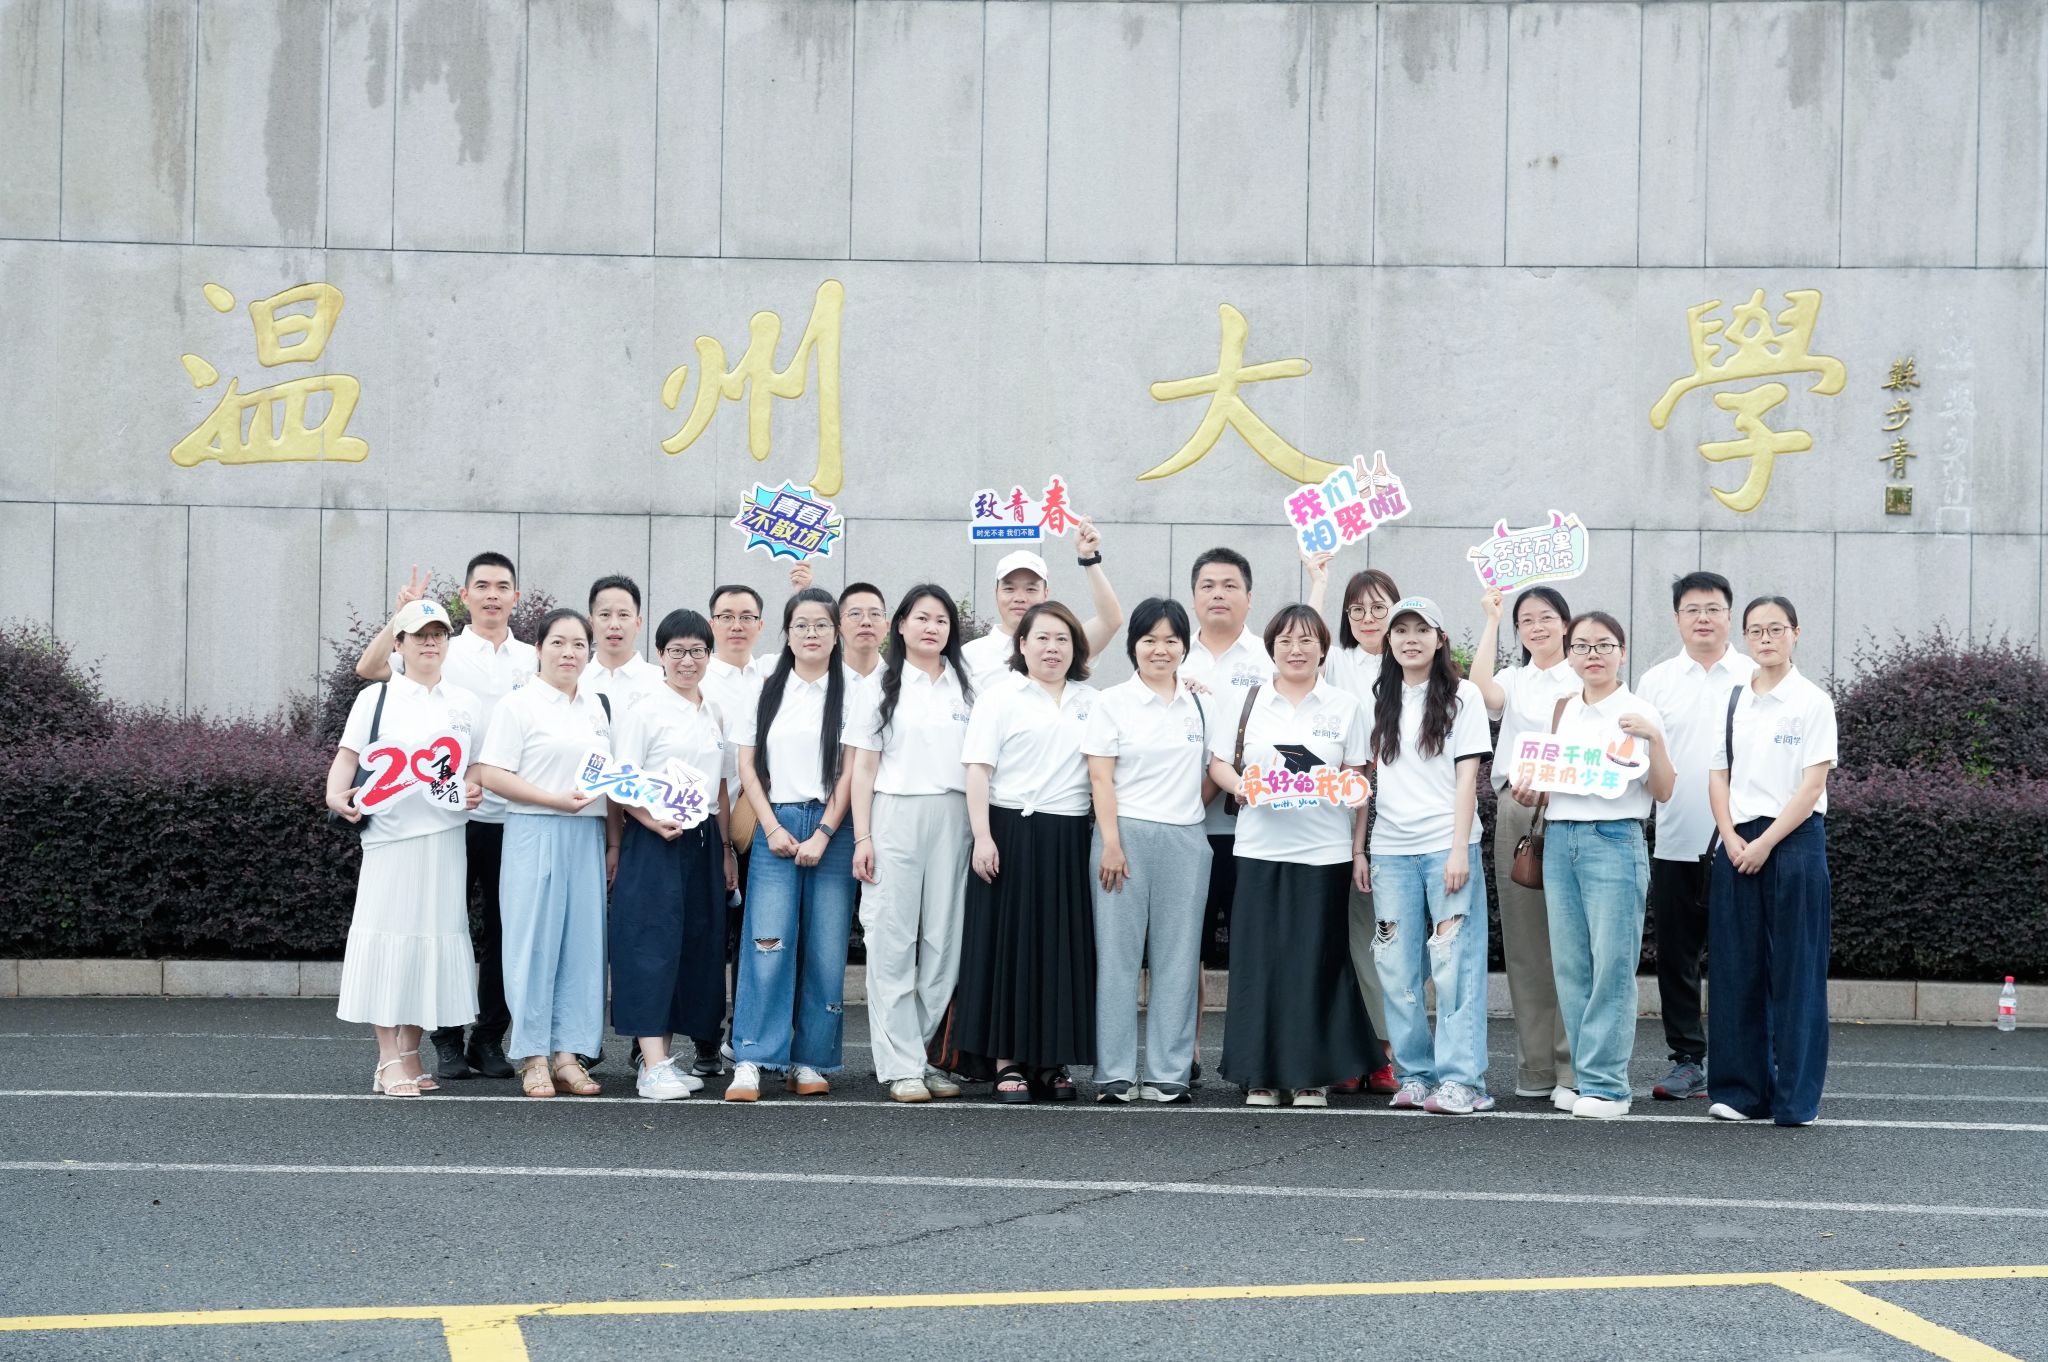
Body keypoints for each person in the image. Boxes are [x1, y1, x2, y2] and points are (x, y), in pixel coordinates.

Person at [354, 554, 533, 1083]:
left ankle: (489, 1038)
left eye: (502, 586)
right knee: (437, 922)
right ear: (465, 596)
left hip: (510, 813)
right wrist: (401, 616)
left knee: (500, 932)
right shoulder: (444, 649)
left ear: (516, 597)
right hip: (444, 816)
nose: (493, 594)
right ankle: (445, 1044)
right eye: (483, 585)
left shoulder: (531, 657)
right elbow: (370, 670)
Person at [1207, 605, 1379, 1107]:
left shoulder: (1344, 706)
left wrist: (1357, 848)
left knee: (1316, 962)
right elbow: (1219, 762)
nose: (1296, 650)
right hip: (1259, 849)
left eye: (1306, 641)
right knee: (1258, 962)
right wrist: (1240, 787)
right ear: (1272, 649)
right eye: (1285, 641)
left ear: (1323, 649)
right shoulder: (1248, 701)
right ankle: (1258, 1074)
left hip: (1324, 853)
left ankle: (1311, 1076)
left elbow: (1358, 781)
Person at [1508, 611, 1674, 1120]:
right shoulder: (1563, 709)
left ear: (1622, 652)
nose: (1592, 655)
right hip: (1561, 839)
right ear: (1570, 654)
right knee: (1572, 965)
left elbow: (1664, 790)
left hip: (1614, 838)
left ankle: (1608, 1086)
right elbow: (1550, 781)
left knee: (1611, 966)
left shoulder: (1639, 711)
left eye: (1604, 645)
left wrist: (1655, 740)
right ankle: (1582, 1077)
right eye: (1581, 646)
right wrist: (1530, 790)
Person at [325, 598, 484, 1096]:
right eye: (419, 635)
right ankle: (387, 1057)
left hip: (446, 837)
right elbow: (347, 757)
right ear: (399, 644)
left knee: (429, 943)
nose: (430, 642)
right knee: (388, 939)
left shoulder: (466, 702)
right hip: (390, 838)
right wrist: (334, 795)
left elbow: (477, 765)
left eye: (438, 634)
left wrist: (473, 787)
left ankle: (411, 1050)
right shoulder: (376, 698)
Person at [958, 601, 1100, 1103]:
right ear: (1022, 644)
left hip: (1069, 836)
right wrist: (983, 837)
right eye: (1042, 637)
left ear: (1076, 648)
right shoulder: (1000, 697)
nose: (1052, 648)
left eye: (1062, 639)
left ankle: (1050, 1061)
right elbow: (978, 770)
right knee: (1008, 948)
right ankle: (1008, 1060)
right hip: (1009, 831)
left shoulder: (1092, 701)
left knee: (1060, 948)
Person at [469, 608, 613, 1099]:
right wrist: (552, 799)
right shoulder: (519, 704)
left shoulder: (595, 707)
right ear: (538, 649)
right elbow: (492, 773)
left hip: (586, 834)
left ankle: (568, 1056)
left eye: (578, 644)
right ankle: (533, 1056)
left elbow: (608, 777)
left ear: (589, 652)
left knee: (582, 946)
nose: (569, 652)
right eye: (558, 642)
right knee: (532, 944)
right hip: (535, 829)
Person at [1359, 598, 1495, 1115]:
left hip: (1446, 847)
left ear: (1440, 639)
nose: (1410, 638)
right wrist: (1362, 848)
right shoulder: (1378, 697)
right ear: (1388, 641)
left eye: (1422, 629)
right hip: (1391, 850)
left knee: (1455, 964)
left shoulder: (1463, 696)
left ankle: (1464, 1081)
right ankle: (1415, 1074)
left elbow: (1468, 777)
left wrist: (1459, 848)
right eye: (1400, 630)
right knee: (1395, 968)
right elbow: (1366, 778)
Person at [1706, 597, 1838, 1128]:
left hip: (1794, 841)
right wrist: (1729, 836)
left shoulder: (1812, 701)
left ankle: (1795, 1100)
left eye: (1776, 629)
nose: (1766, 639)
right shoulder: (1735, 699)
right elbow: (1718, 774)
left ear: (1795, 633)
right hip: (1737, 842)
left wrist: (1764, 843)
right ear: (1745, 637)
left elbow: (1812, 785)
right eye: (1756, 630)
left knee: (1796, 971)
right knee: (1735, 969)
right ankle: (1742, 1093)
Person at [847, 586, 977, 1103]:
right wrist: (862, 836)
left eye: (941, 620)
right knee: (891, 940)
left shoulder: (968, 686)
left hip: (954, 816)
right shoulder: (879, 685)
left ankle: (920, 1055)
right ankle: (900, 1066)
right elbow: (863, 768)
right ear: (900, 625)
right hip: (895, 814)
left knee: (945, 943)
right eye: (922, 618)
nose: (932, 627)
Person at [726, 587, 857, 1101]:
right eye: (801, 625)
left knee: (826, 946)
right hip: (775, 820)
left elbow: (851, 770)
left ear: (836, 633)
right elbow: (747, 766)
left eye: (821, 625)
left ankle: (810, 1059)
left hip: (833, 827)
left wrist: (824, 832)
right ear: (786, 633)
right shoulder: (764, 689)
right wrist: (772, 827)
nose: (811, 633)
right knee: (768, 943)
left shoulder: (853, 692)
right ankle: (753, 1056)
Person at [1082, 598, 1213, 1104]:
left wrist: (1185, 810)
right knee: (1116, 957)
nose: (1161, 649)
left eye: (1171, 640)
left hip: (1186, 838)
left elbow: (1212, 771)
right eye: (1149, 640)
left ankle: (1168, 1073)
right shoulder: (1112, 701)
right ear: (1133, 645)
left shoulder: (1201, 702)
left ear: (1185, 646)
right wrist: (1112, 842)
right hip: (1123, 837)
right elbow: (1100, 777)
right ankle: (1114, 1072)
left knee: (1178, 957)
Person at [607, 609, 740, 1101]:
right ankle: (651, 1066)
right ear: (660, 655)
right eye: (678, 651)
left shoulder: (713, 710)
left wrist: (725, 849)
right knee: (650, 944)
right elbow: (618, 781)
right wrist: (648, 821)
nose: (688, 661)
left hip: (702, 840)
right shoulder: (644, 710)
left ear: (709, 655)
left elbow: (720, 786)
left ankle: (661, 1060)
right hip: (656, 840)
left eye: (698, 651)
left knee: (691, 948)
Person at [1634, 571, 1756, 1101]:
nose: (1703, 618)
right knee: (1676, 959)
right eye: (1692, 609)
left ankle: (1738, 1059)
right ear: (1677, 618)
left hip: (1744, 843)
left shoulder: (1754, 675)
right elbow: (1636, 761)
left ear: (1730, 616)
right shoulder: (1655, 682)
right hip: (1676, 839)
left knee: (1740, 958)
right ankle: (1687, 1060)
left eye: (1713, 609)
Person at [1470, 584, 1579, 1107]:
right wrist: (1491, 619)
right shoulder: (1514, 679)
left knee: (1572, 940)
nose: (1537, 627)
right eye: (1526, 620)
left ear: (1566, 624)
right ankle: (1536, 1066)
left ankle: (1571, 1066)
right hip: (1518, 809)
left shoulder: (1583, 676)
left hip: (1574, 808)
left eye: (1547, 617)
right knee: (1525, 942)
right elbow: (1480, 690)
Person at [1320, 566, 1405, 1095]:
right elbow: (1301, 641)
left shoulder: (1410, 660)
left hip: (1400, 807)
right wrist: (1318, 581)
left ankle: (1385, 1052)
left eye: (1379, 608)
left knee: (1386, 934)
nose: (1369, 618)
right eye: (1358, 610)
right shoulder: (1337, 662)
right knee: (1345, 936)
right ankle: (1350, 1051)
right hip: (1340, 809)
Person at [1179, 548, 1273, 976]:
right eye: (1208, 586)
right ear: (1193, 597)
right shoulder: (1172, 654)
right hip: (1184, 829)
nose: (1218, 594)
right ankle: (1190, 1027)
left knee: (1254, 951)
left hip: (1254, 831)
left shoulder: (1270, 657)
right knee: (1185, 953)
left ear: (1249, 598)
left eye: (1230, 585)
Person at [696, 582, 770, 1079]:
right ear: (712, 624)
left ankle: (743, 1035)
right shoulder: (699, 678)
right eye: (726, 616)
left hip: (763, 822)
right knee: (708, 933)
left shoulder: (773, 676)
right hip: (709, 821)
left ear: (761, 625)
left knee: (758, 935)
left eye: (746, 616)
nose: (736, 625)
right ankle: (705, 1038)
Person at [959, 520, 1124, 691]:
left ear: (1045, 594)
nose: (1020, 598)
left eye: (1031, 589)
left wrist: (1088, 558)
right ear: (996, 593)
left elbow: (1110, 620)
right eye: (1009, 589)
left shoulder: (1063, 644)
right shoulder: (970, 655)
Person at [583, 574, 663, 711]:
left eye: (623, 615)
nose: (614, 625)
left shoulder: (660, 681)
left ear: (638, 623)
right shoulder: (576, 680)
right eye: (605, 615)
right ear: (591, 623)